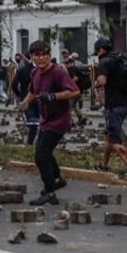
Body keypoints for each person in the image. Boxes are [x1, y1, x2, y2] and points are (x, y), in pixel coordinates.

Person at [19, 40, 81, 206]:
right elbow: (33, 92)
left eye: (44, 54)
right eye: (37, 55)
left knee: (41, 155)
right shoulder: (35, 73)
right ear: (32, 57)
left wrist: (53, 96)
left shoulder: (57, 72)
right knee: (45, 152)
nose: (41, 58)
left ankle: (50, 192)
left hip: (59, 121)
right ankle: (57, 179)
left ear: (49, 55)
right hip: (45, 120)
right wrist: (24, 104)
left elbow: (75, 91)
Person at [92, 39, 127, 179]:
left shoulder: (104, 62)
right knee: (109, 136)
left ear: (101, 50)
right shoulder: (119, 58)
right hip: (124, 103)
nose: (97, 55)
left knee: (114, 140)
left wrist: (95, 84)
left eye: (97, 52)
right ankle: (103, 165)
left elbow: (102, 82)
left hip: (113, 105)